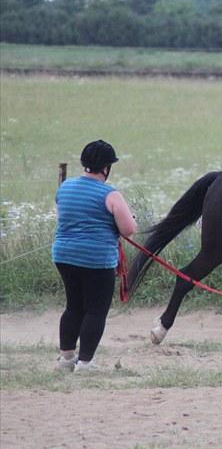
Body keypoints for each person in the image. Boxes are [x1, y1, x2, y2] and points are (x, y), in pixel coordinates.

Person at [52, 140, 136, 372]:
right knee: (95, 311)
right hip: (96, 260)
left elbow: (65, 218)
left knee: (73, 307)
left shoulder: (65, 188)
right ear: (106, 167)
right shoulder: (111, 194)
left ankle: (66, 359)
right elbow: (128, 230)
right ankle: (86, 362)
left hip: (64, 256)